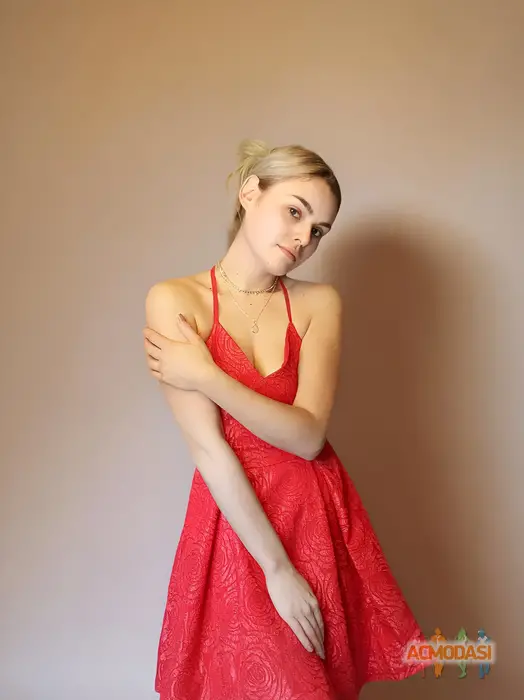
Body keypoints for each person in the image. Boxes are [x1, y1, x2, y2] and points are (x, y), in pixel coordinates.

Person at [143, 139, 427, 699]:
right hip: (236, 524)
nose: (303, 238)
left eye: (319, 230)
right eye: (295, 212)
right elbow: (210, 451)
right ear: (251, 193)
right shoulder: (175, 300)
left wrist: (207, 376)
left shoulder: (320, 303)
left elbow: (308, 436)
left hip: (315, 515)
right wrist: (276, 569)